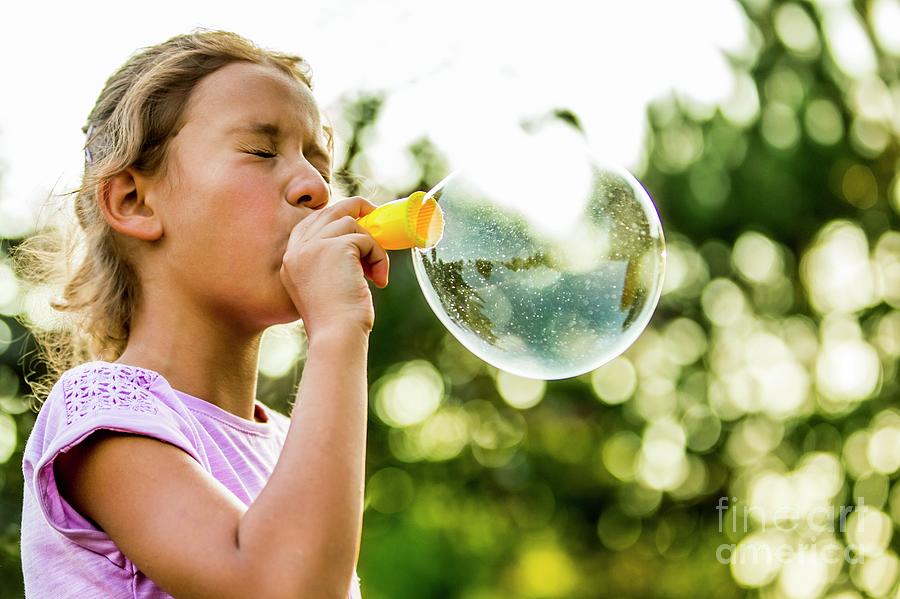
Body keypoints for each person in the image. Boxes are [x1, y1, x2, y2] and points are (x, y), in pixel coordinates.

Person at [16, 29, 389, 598]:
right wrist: (339, 331)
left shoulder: (294, 445)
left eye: (319, 164)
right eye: (262, 152)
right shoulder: (100, 411)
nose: (316, 186)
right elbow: (279, 586)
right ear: (134, 202)